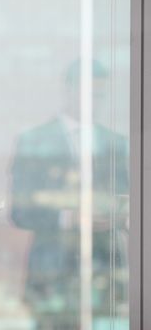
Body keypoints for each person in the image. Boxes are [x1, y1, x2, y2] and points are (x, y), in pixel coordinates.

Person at [10, 60, 129, 330]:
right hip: (52, 276)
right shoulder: (34, 141)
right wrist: (69, 218)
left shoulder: (116, 144)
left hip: (106, 271)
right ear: (69, 90)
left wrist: (119, 213)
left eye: (99, 95)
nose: (93, 101)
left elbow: (127, 199)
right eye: (88, 93)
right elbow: (19, 210)